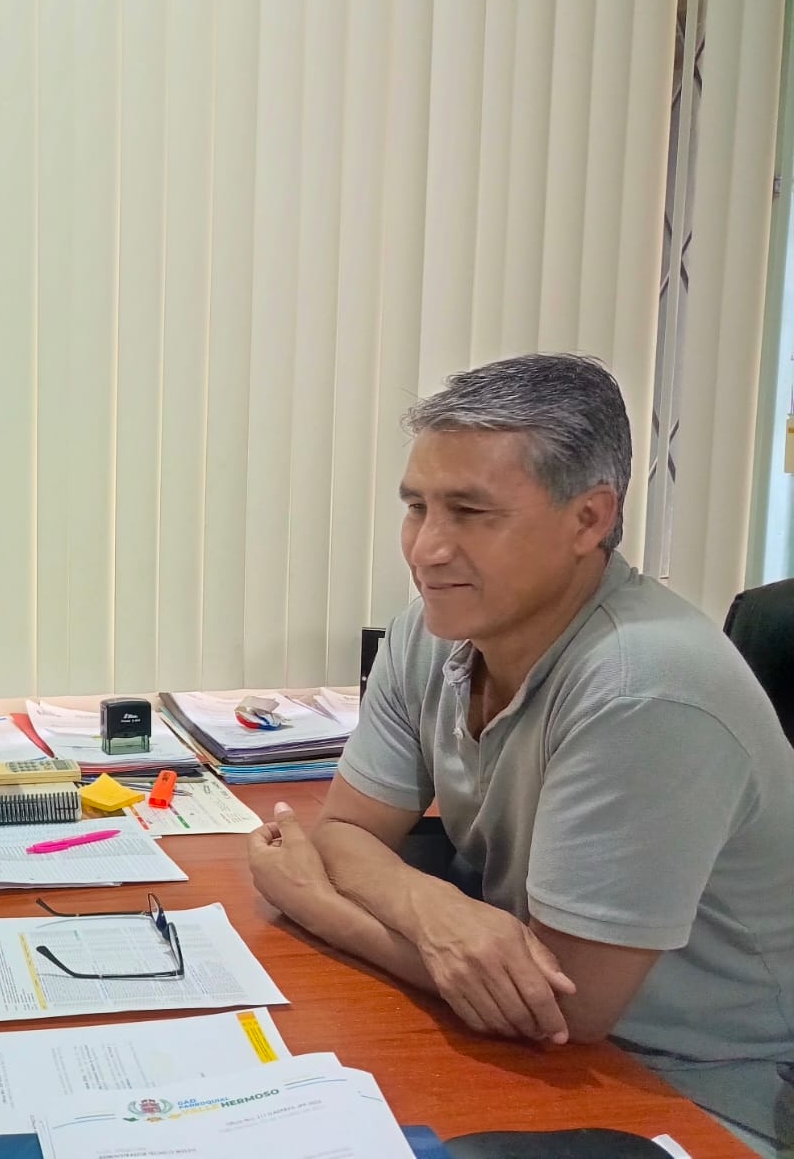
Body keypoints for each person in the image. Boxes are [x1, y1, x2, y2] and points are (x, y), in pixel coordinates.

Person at [247, 354, 794, 1154]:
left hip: (698, 1093)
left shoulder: (644, 685)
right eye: (417, 507)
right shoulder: (434, 627)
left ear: (590, 519)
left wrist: (317, 903)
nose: (426, 550)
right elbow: (346, 831)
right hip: (548, 1055)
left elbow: (561, 1006)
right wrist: (433, 908)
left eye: (470, 512)